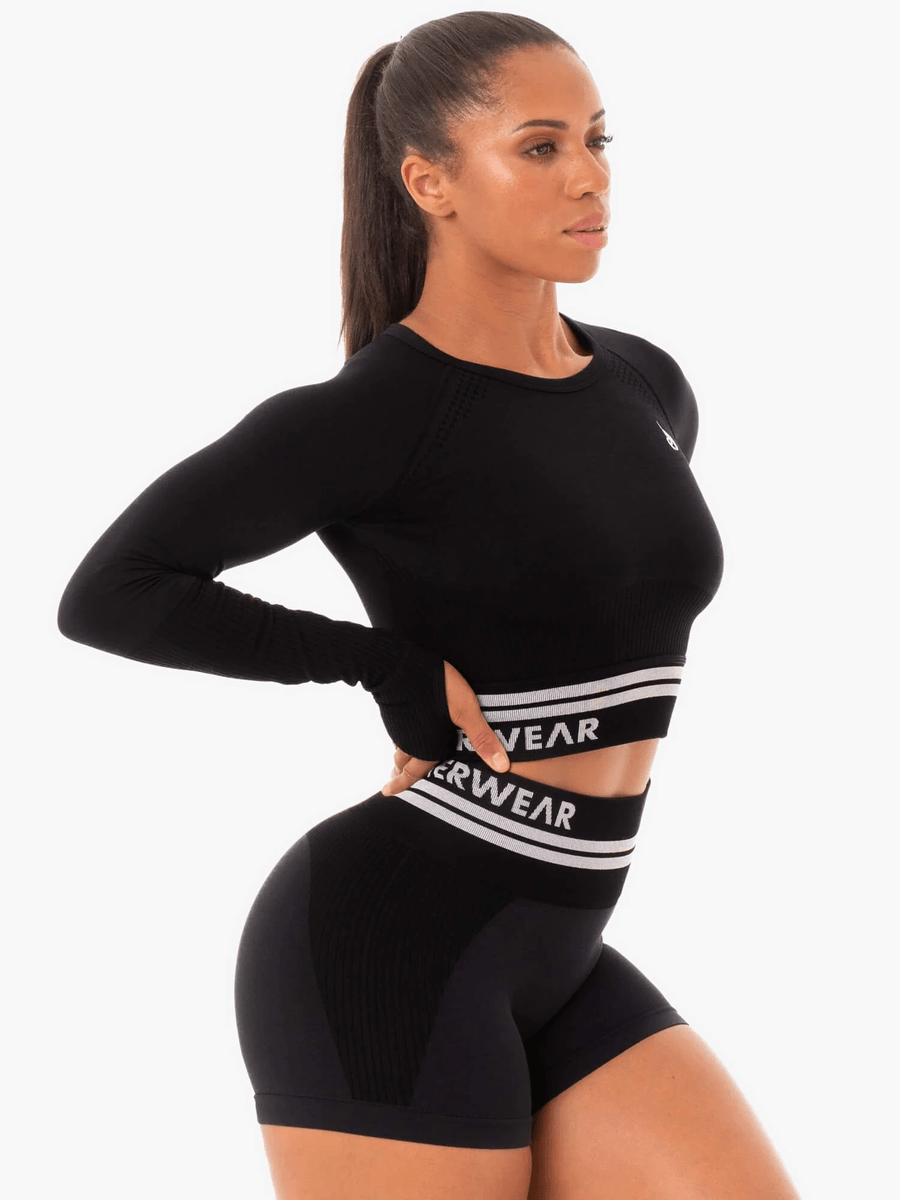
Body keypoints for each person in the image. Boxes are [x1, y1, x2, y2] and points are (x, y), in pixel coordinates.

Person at [56, 12, 802, 1200]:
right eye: (542, 146)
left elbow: (583, 588)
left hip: (560, 942)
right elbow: (113, 592)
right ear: (429, 182)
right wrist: (386, 666)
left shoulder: (645, 384)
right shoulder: (375, 415)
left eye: (599, 140)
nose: (591, 176)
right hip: (389, 947)